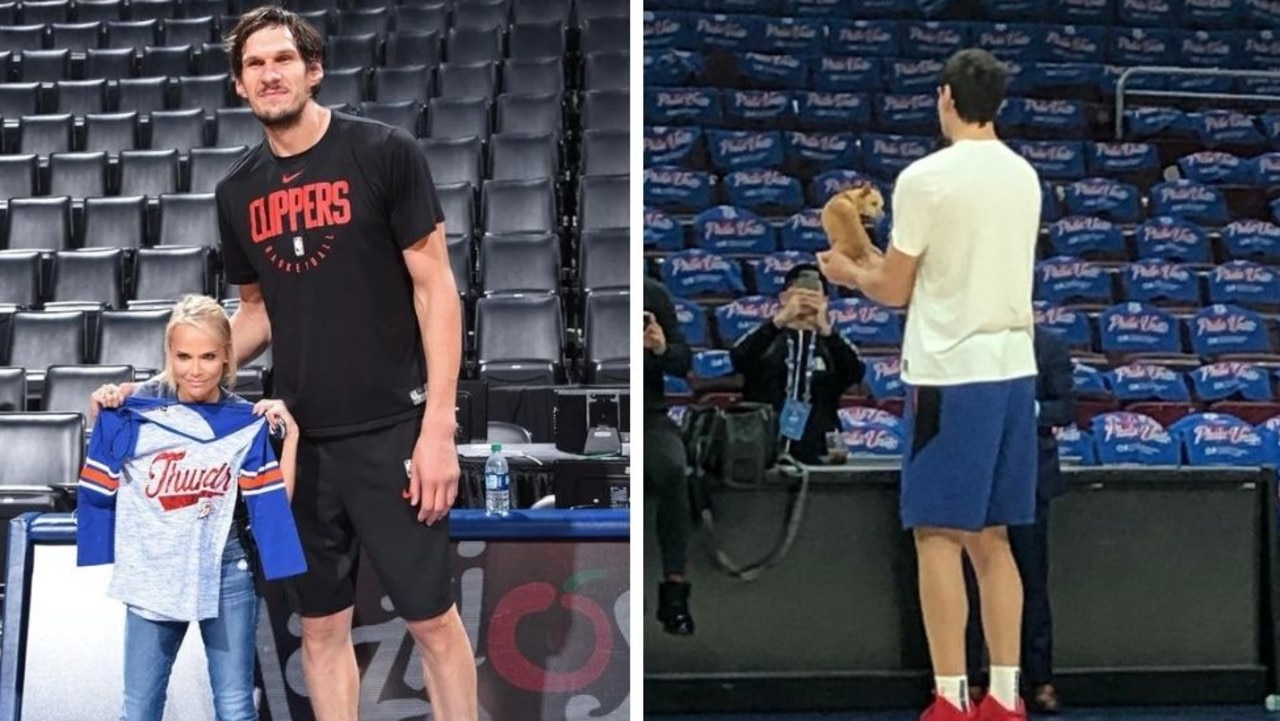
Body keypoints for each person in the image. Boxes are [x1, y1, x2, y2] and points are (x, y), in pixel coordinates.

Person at [217, 7, 476, 719]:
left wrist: (438, 427)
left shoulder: (384, 152)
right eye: (255, 65)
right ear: (239, 85)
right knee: (321, 625)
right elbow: (258, 312)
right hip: (296, 446)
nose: (270, 74)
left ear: (313, 68)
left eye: (282, 59)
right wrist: (184, 375)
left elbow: (436, 288)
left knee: (432, 620)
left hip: (394, 429)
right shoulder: (235, 190)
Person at [817, 48, 1042, 721]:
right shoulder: (1025, 176)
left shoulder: (926, 179)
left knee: (937, 535)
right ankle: (1004, 695)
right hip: (1014, 367)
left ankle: (949, 696)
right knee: (995, 536)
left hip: (951, 372)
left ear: (945, 97)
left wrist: (848, 270)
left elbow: (894, 288)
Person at [79, 294, 306, 721]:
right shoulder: (134, 411)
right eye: (183, 356)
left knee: (237, 709)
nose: (195, 368)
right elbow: (96, 487)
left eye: (207, 356)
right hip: (153, 571)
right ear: (169, 355)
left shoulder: (244, 419)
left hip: (227, 570)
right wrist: (103, 412)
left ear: (226, 358)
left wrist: (289, 439)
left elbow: (276, 508)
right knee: (140, 709)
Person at [966, 327, 1075, 714]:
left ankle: (1039, 679)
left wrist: (1022, 409)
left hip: (1031, 478)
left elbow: (1064, 408)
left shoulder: (1047, 345)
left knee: (1032, 581)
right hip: (976, 476)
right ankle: (971, 677)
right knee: (970, 581)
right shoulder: (969, 340)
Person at [730, 264, 864, 464]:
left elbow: (855, 372)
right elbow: (739, 358)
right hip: (763, 450)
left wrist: (826, 331)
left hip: (818, 450)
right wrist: (780, 321)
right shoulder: (767, 338)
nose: (807, 300)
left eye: (814, 294)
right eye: (800, 293)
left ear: (826, 301)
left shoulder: (832, 344)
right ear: (784, 298)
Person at [644, 276, 695, 635]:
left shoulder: (654, 293)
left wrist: (660, 348)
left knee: (673, 469)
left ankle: (674, 589)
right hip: (600, 408)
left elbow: (682, 362)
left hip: (650, 413)